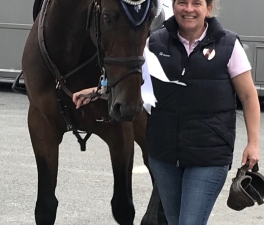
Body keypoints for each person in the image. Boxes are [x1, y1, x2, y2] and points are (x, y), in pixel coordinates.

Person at [73, 0, 260, 224]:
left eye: (196, 3)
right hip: (165, 155)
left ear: (208, 9)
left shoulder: (228, 45)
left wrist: (253, 143)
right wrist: (98, 91)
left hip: (209, 155)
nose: (188, 9)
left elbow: (249, 97)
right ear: (173, 6)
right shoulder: (155, 42)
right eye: (182, 2)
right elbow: (135, 80)